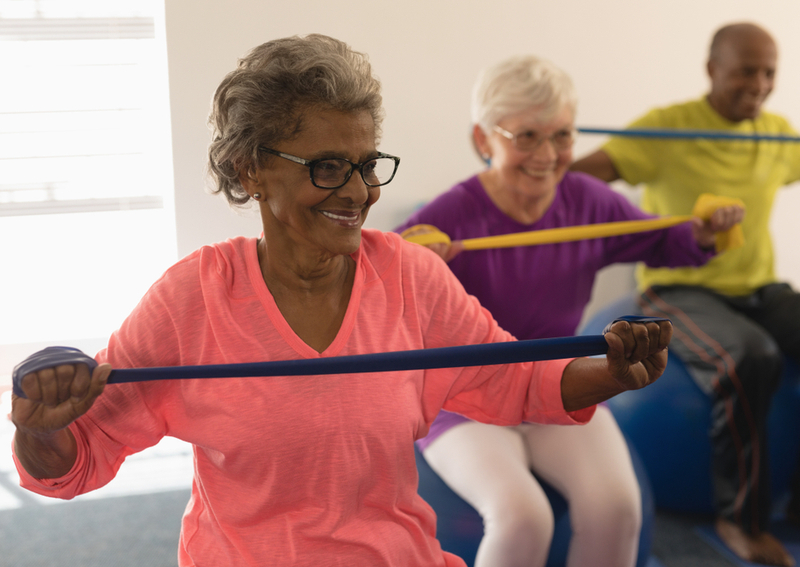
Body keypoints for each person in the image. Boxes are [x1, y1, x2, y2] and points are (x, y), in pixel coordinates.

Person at [10, 34, 672, 567]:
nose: (358, 192)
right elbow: (77, 460)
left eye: (366, 163)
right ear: (250, 169)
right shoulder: (195, 298)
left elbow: (518, 379)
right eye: (327, 167)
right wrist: (41, 427)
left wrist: (616, 371)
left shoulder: (410, 278)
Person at [395, 55, 743, 567]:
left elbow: (667, 240)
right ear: (482, 140)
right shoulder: (449, 218)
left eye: (562, 136)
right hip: (466, 401)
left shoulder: (588, 201)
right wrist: (413, 266)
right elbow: (381, 294)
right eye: (527, 137)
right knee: (522, 517)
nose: (548, 154)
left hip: (560, 384)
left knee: (618, 508)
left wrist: (707, 231)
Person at [571, 22, 800, 567]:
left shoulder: (775, 134)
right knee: (749, 356)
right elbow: (579, 180)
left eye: (769, 72)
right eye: (747, 70)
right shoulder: (666, 129)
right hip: (679, 286)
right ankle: (739, 521)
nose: (760, 83)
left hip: (757, 288)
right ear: (712, 69)